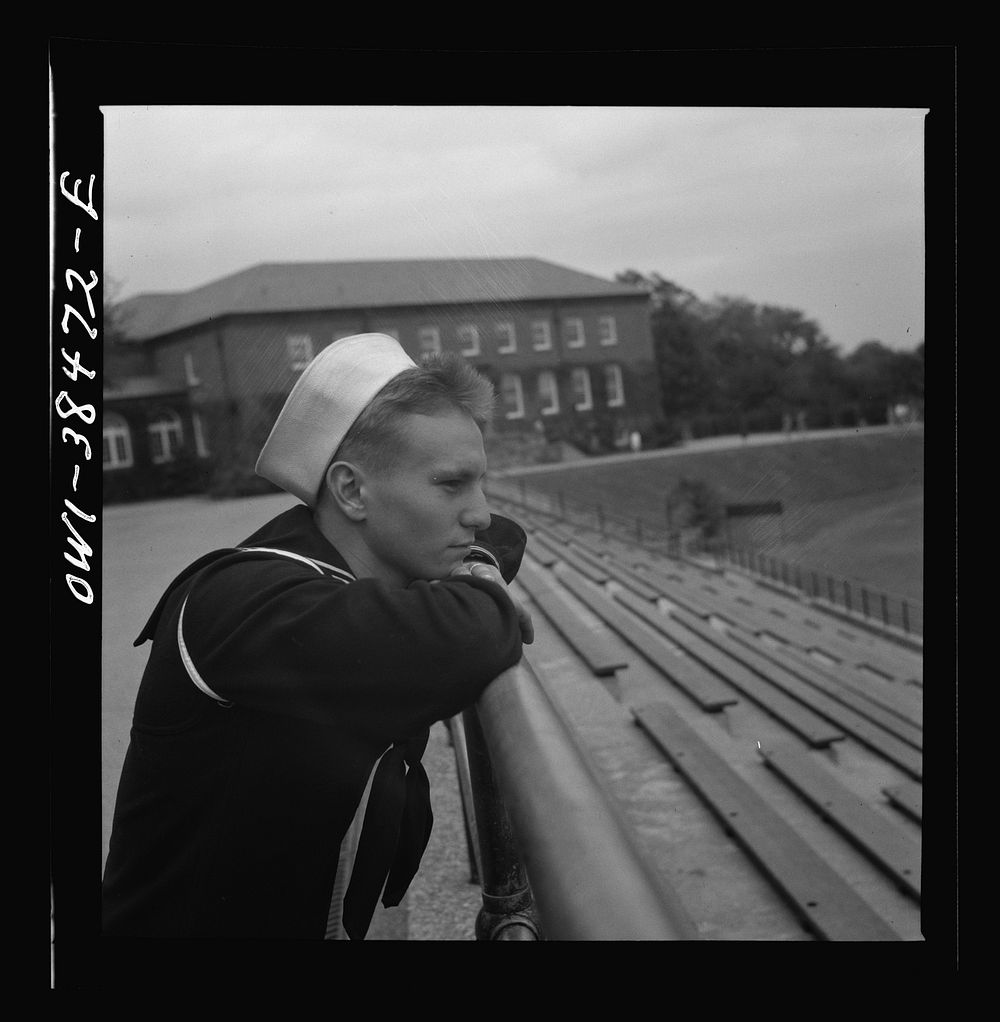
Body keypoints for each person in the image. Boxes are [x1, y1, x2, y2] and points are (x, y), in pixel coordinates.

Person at [101, 333, 534, 940]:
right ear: (352, 490)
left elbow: (503, 534)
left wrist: (477, 565)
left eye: (480, 483)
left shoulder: (345, 570)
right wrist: (484, 592)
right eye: (451, 485)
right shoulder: (247, 602)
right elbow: (470, 635)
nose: (481, 511)